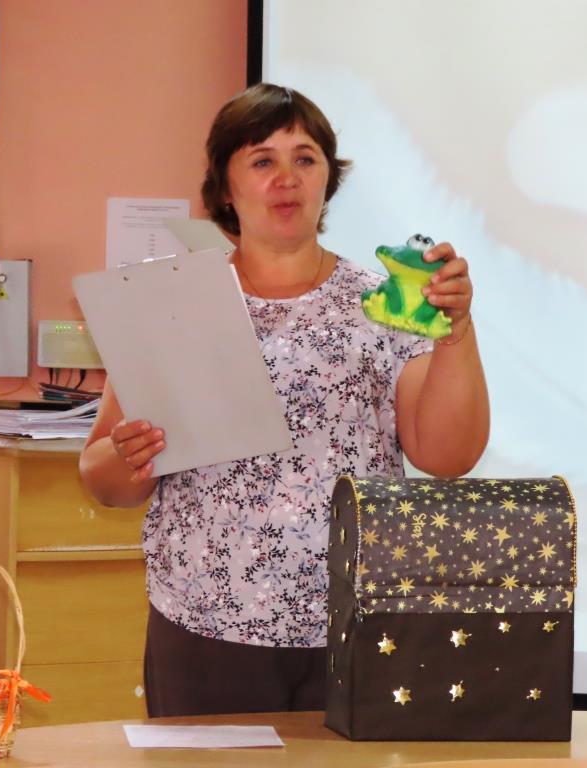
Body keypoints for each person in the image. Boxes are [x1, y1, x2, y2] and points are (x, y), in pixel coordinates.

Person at [78, 83, 490, 717]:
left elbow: (447, 456)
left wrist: (456, 329)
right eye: (262, 160)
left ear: (328, 179)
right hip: (205, 622)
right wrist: (128, 457)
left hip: (356, 618)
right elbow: (104, 478)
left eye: (305, 158)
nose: (286, 178)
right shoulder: (171, 301)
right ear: (225, 187)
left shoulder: (381, 305)